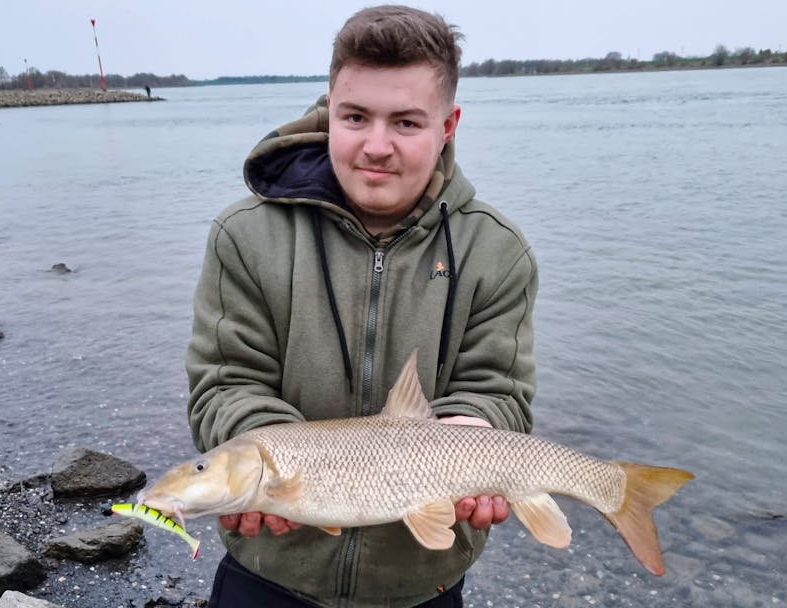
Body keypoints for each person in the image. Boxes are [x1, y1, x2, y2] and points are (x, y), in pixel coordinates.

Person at [186, 5, 537, 607]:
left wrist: (476, 432)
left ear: (448, 125)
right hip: (271, 568)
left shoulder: (497, 252)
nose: (377, 146)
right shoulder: (244, 236)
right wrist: (263, 463)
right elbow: (224, 383)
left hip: (419, 580)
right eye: (355, 117)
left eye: (406, 122)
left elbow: (498, 392)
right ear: (328, 109)